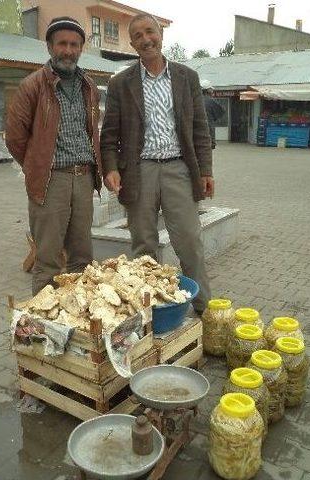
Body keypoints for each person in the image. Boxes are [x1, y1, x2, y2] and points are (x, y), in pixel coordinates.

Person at [100, 13, 212, 313]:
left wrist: (206, 171)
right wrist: (110, 167)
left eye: (150, 32)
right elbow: (109, 132)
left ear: (161, 34)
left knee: (189, 241)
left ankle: (204, 310)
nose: (145, 39)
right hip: (140, 171)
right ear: (132, 43)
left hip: (179, 168)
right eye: (138, 35)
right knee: (143, 246)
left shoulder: (187, 77)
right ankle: (149, 313)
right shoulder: (120, 83)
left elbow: (200, 128)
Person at [5, 17, 102, 294]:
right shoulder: (32, 86)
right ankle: (45, 331)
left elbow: (91, 131)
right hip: (51, 182)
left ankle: (80, 321)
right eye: (62, 43)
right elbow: (15, 138)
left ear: (81, 48)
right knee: (47, 261)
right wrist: (38, 166)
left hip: (84, 179)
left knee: (83, 260)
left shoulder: (89, 86)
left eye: (74, 44)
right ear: (49, 47)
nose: (68, 50)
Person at [201, 79, 225, 149]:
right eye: (211, 89)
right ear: (208, 90)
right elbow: (221, 111)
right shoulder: (211, 101)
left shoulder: (193, 100)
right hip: (207, 135)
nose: (212, 91)